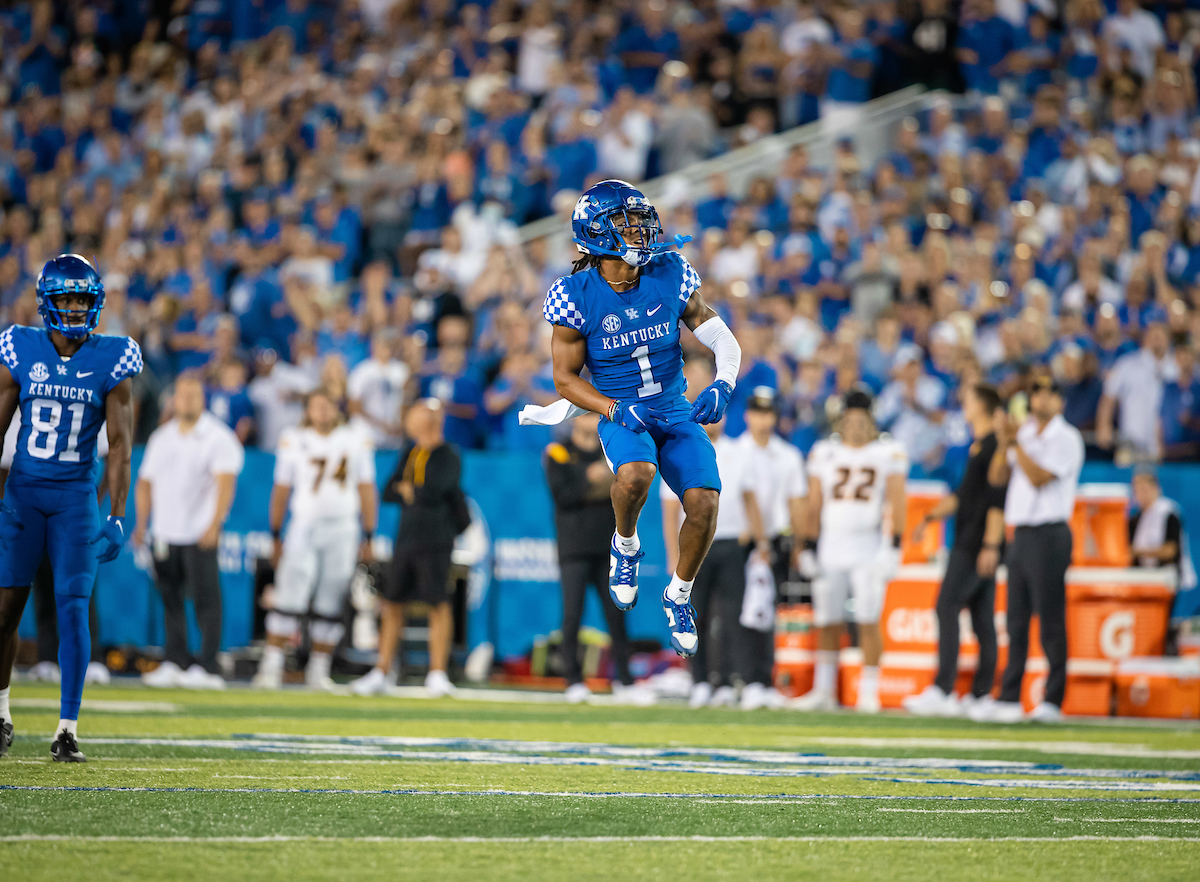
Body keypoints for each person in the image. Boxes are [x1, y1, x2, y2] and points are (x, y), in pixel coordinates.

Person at [529, 180, 742, 661]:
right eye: (626, 221)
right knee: (636, 474)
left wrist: (724, 383)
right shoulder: (573, 294)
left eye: (641, 219)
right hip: (620, 408)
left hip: (672, 405)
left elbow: (723, 338)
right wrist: (611, 407)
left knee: (706, 502)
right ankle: (624, 545)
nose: (640, 230)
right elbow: (564, 380)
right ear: (596, 231)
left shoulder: (669, 270)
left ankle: (679, 595)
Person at [0, 254, 140, 762]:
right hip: (23, 495)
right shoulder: (21, 346)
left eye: (84, 298)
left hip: (75, 498)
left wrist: (120, 511)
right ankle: (1, 713)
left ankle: (67, 728)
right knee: (6, 611)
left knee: (73, 609)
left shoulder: (114, 356)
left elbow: (121, 443)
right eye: (68, 298)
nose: (77, 307)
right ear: (47, 302)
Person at [792, 389, 908, 713]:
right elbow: (814, 502)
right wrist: (807, 546)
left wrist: (894, 545)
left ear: (872, 422)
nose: (856, 426)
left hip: (867, 544)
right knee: (827, 619)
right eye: (851, 420)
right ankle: (824, 689)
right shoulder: (824, 451)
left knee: (869, 618)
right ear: (841, 421)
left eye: (862, 420)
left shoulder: (888, 452)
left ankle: (870, 691)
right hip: (831, 543)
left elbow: (898, 500)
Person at [978, 375, 1084, 723]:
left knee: (1050, 617)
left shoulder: (1066, 438)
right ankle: (1010, 698)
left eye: (1046, 391)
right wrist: (1004, 442)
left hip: (1050, 532)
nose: (1038, 397)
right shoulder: (1022, 434)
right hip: (1021, 533)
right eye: (1034, 392)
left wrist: (1015, 445)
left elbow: (1040, 478)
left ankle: (1053, 699)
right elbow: (997, 478)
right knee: (1016, 619)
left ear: (1059, 400)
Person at [254, 388, 377, 690]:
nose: (322, 412)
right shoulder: (293, 439)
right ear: (307, 410)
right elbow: (281, 489)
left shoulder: (356, 438)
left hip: (343, 528)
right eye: (316, 406)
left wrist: (369, 533)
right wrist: (275, 532)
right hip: (304, 526)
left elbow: (366, 488)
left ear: (337, 408)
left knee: (331, 599)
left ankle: (319, 670)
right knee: (289, 595)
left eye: (328, 406)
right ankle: (271, 666)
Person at [661, 360, 764, 709]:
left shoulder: (740, 451)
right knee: (696, 613)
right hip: (695, 547)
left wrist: (758, 538)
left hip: (733, 542)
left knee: (734, 616)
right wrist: (672, 557)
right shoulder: (678, 445)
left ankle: (734, 679)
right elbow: (669, 509)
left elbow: (750, 499)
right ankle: (701, 680)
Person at [903, 384, 1007, 717]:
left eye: (971, 399)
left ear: (986, 406)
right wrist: (931, 517)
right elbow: (964, 495)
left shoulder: (994, 447)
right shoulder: (979, 447)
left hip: (975, 544)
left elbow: (997, 500)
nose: (965, 404)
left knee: (946, 607)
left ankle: (944, 689)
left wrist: (991, 544)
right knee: (981, 619)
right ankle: (981, 695)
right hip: (970, 539)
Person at [136, 373, 244, 690]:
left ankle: (207, 664)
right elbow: (145, 482)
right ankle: (175, 660)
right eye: (183, 394)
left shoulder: (218, 436)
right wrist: (143, 523)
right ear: (174, 399)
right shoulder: (162, 436)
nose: (188, 400)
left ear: (203, 399)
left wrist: (215, 523)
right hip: (165, 532)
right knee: (170, 597)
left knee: (206, 600)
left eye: (194, 394)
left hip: (199, 531)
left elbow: (226, 483)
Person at [352, 400, 463, 698]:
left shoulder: (448, 454)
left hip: (437, 540)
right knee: (393, 603)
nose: (409, 419)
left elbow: (436, 488)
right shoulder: (410, 452)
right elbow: (390, 489)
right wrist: (410, 490)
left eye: (416, 414)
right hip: (406, 538)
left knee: (437, 604)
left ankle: (437, 673)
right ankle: (382, 670)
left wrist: (412, 490)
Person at [544, 411, 649, 705]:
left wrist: (595, 483)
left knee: (617, 615)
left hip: (608, 545)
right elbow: (563, 495)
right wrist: (591, 481)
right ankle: (573, 679)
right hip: (574, 547)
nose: (591, 421)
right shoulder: (559, 452)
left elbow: (624, 487)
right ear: (575, 418)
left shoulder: (611, 452)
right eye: (586, 415)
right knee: (572, 615)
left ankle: (625, 679)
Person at [735, 387, 808, 710]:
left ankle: (765, 677)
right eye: (758, 413)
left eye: (769, 414)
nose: (763, 420)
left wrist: (799, 545)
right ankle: (745, 677)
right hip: (741, 539)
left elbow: (796, 501)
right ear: (748, 415)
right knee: (740, 611)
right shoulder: (736, 451)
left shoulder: (788, 455)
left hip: (776, 538)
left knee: (769, 610)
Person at [1128, 469, 1196, 600]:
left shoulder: (1169, 513)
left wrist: (1138, 552)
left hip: (1166, 577)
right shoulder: (1136, 519)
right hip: (1142, 578)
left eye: (1144, 489)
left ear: (1156, 488)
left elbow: (1170, 551)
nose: (1141, 494)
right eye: (1137, 489)